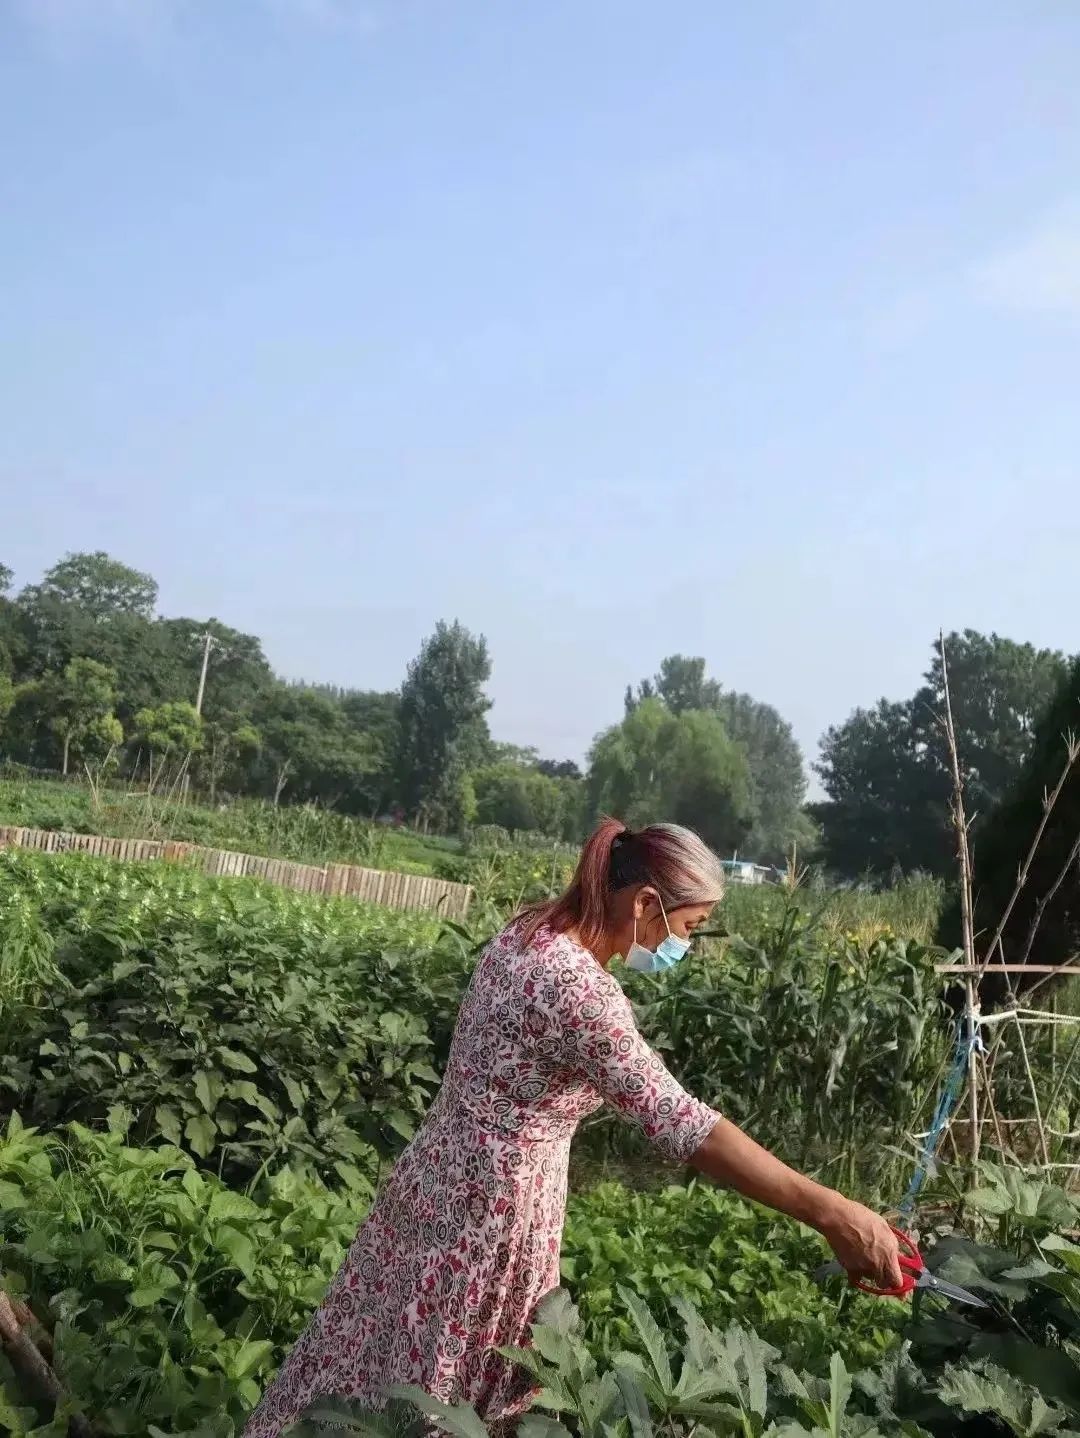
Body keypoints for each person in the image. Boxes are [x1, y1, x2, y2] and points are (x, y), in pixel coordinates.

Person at [243, 818, 902, 1437]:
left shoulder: (529, 931)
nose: (687, 947)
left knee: (369, 1358)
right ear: (645, 905)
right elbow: (683, 1124)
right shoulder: (582, 992)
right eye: (690, 926)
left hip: (434, 1180)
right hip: (492, 1222)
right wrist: (833, 1212)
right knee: (446, 1393)